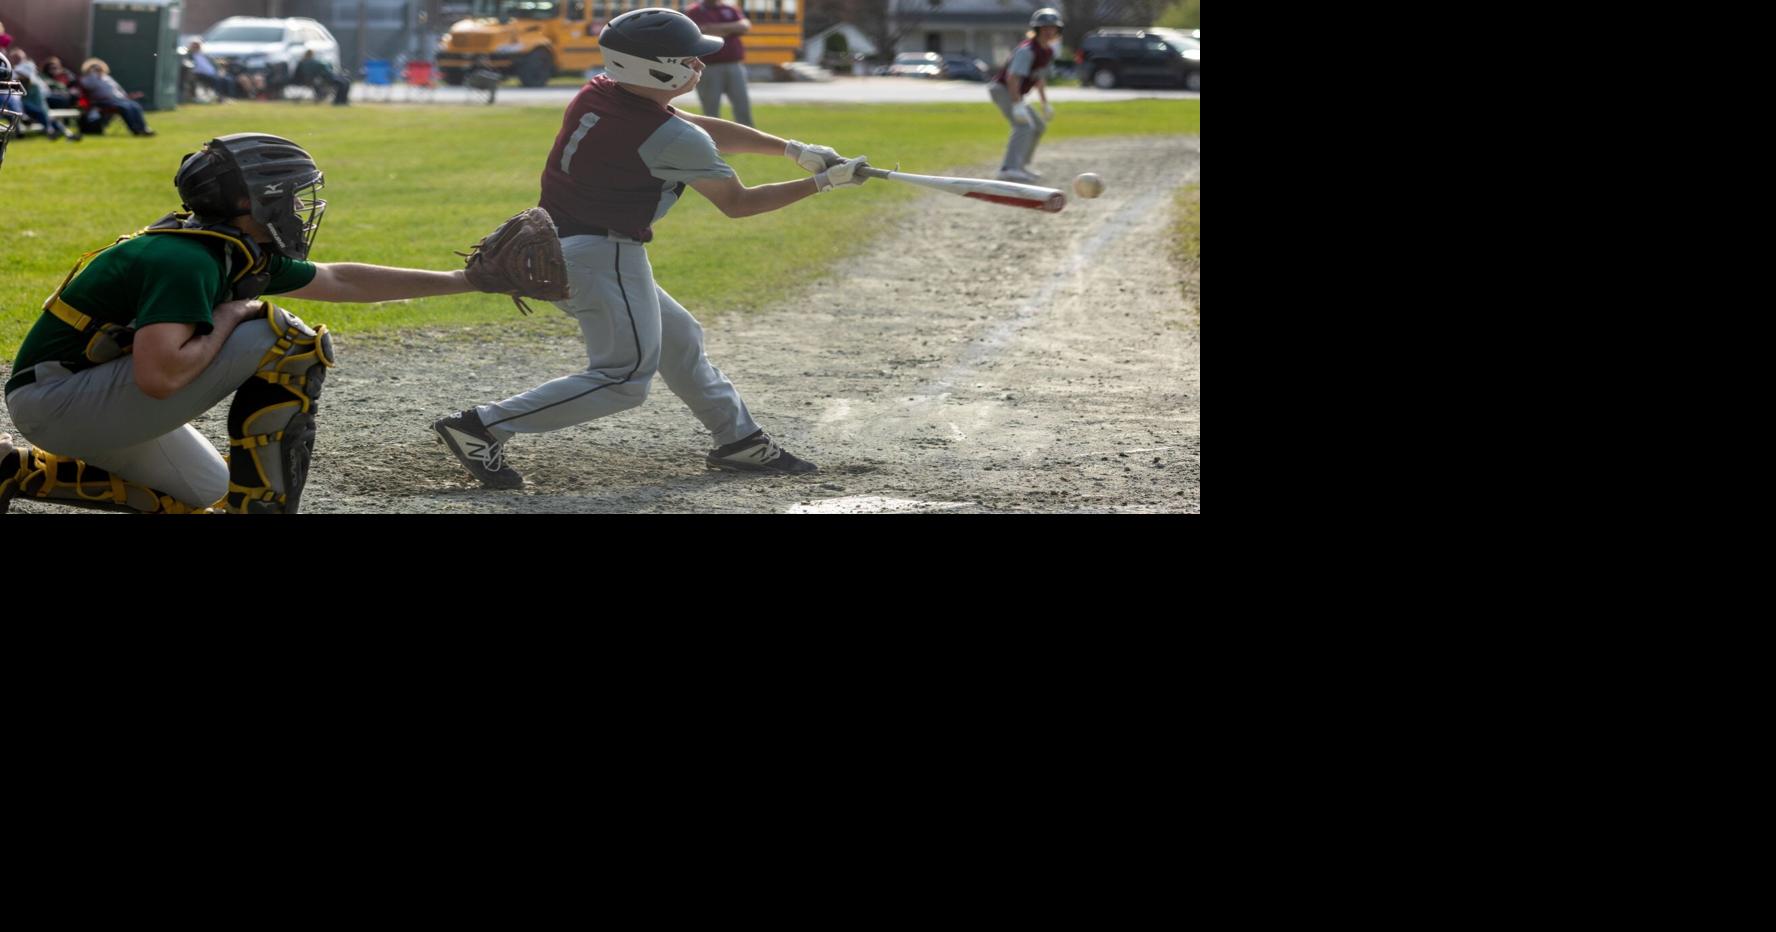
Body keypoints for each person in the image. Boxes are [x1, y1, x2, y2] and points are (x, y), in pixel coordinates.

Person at [432, 8, 868, 487]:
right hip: (602, 257)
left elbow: (694, 127)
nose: (699, 66)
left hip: (569, 246)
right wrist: (823, 183)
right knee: (623, 379)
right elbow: (739, 204)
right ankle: (480, 427)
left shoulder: (601, 91)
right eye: (689, 59)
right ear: (656, 68)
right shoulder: (667, 136)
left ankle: (740, 441)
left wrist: (791, 149)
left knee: (680, 340)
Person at [0, 133, 534, 515]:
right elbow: (157, 378)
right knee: (286, 337)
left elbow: (340, 280)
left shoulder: (224, 247)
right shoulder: (186, 261)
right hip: (63, 402)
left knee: (210, 496)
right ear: (256, 202)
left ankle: (15, 471)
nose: (302, 208)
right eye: (292, 195)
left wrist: (468, 280)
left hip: (72, 401)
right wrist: (234, 312)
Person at [989, 8, 1062, 183]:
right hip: (1003, 89)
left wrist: (1045, 104)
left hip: (1015, 93)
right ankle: (1008, 168)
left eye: (1052, 28)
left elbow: (1039, 78)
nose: (1049, 31)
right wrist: (1017, 105)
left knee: (1038, 126)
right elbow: (1012, 78)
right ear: (1037, 29)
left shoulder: (1048, 52)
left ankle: (1021, 166)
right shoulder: (1027, 50)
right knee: (1023, 126)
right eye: (1045, 28)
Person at [684, 0, 752, 127]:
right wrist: (731, 28)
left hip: (734, 64)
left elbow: (744, 26)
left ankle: (751, 141)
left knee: (742, 105)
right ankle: (713, 140)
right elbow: (701, 30)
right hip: (710, 66)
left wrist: (715, 28)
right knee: (711, 109)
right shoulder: (695, 10)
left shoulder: (729, 8)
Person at [7, 50, 79, 141]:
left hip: (36, 103)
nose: (16, 59)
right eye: (14, 57)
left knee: (45, 115)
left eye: (18, 57)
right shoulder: (11, 74)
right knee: (43, 115)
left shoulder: (30, 74)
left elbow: (29, 81)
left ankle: (65, 133)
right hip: (25, 106)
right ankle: (57, 132)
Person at [76, 57, 155, 136]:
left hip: (118, 100)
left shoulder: (106, 77)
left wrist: (126, 96)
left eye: (98, 67)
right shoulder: (87, 79)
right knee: (125, 107)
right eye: (94, 67)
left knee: (134, 105)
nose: (97, 69)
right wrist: (94, 76)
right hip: (103, 102)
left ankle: (143, 128)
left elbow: (118, 88)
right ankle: (135, 130)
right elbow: (88, 86)